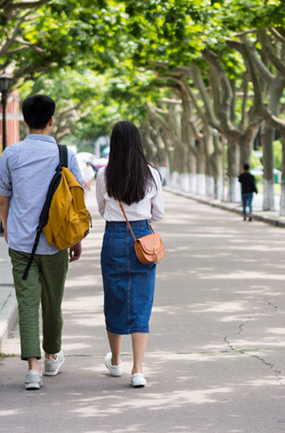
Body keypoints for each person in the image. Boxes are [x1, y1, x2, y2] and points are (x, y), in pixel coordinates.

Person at [0, 95, 84, 390]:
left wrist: (8, 230)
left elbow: (2, 198)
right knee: (52, 303)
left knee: (27, 303)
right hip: (57, 241)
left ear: (24, 121)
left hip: (21, 243)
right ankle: (50, 356)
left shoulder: (11, 154)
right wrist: (78, 238)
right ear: (51, 120)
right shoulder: (65, 154)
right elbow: (76, 199)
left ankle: (32, 370)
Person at [96, 121, 164, 388]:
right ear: (138, 143)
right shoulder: (151, 174)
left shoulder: (104, 175)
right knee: (141, 301)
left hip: (113, 236)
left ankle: (115, 362)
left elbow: (102, 209)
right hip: (144, 240)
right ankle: (138, 370)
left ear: (114, 144)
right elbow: (158, 214)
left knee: (115, 298)